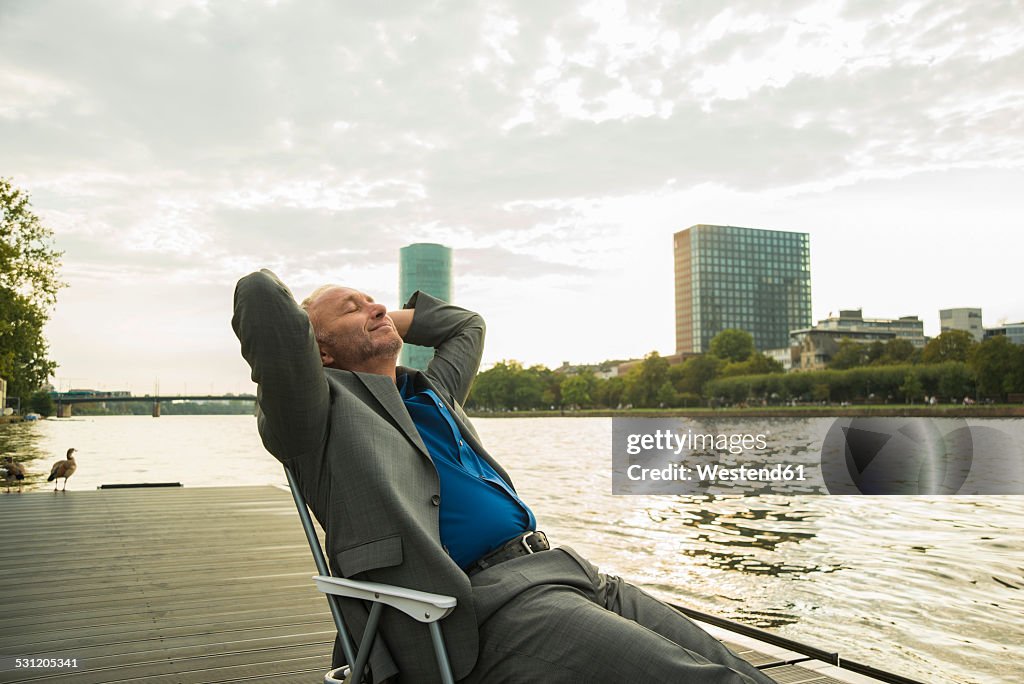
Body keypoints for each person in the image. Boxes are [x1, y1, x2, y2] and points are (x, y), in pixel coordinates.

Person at [233, 269, 776, 684]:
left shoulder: (433, 390)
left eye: (375, 300)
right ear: (316, 348)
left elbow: (466, 325)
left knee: (733, 666)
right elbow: (261, 297)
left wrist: (373, 318)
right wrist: (329, 329)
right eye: (352, 309)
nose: (377, 307)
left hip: (561, 569)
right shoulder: (316, 416)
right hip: (477, 606)